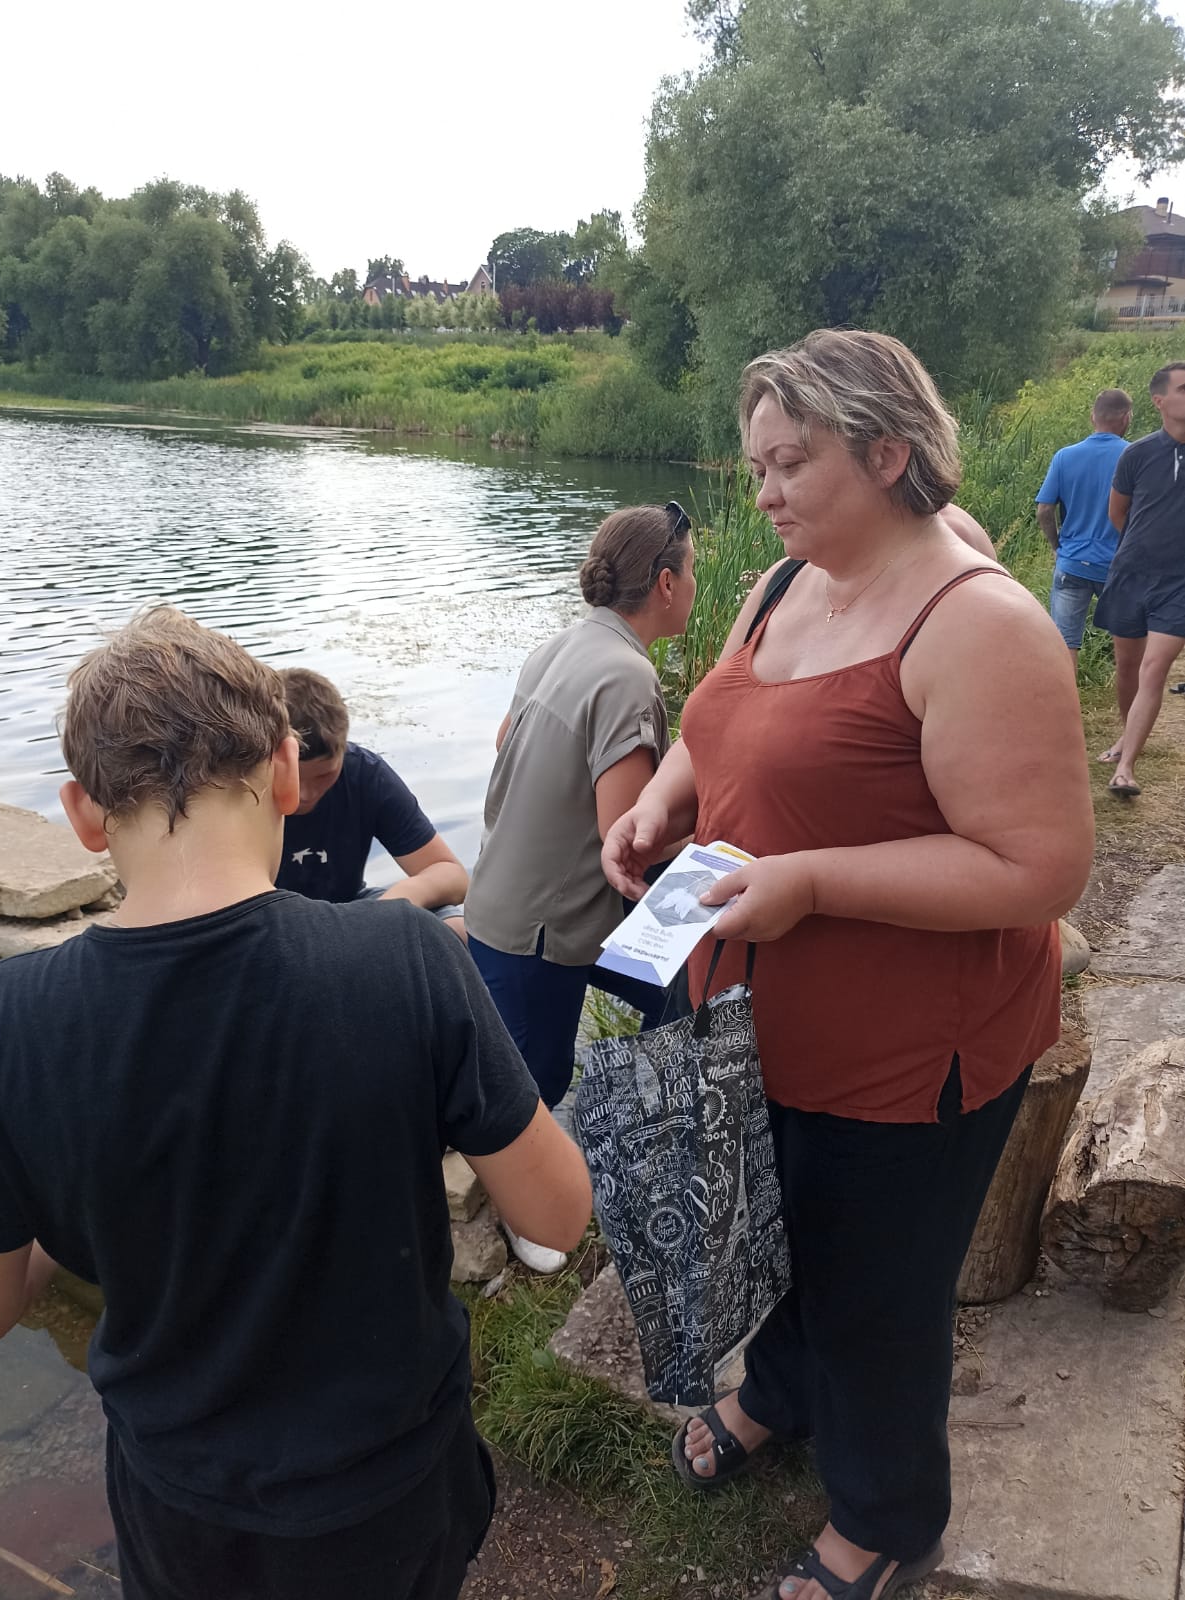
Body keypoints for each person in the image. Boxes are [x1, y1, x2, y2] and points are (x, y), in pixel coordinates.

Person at [602, 331, 1093, 1600]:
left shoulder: (975, 623)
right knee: (783, 1232)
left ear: (886, 454)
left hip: (908, 1045)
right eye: (756, 464)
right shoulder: (781, 583)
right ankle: (779, 1392)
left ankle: (886, 1515)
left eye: (790, 462)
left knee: (880, 1285)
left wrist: (812, 881)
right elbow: (721, 717)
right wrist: (661, 798)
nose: (759, 490)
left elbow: (1038, 869)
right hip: (764, 1011)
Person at [0, 608, 593, 1600]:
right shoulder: (407, 961)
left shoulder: (8, 1017)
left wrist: (64, 1208)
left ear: (82, 813)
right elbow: (556, 1211)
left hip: (181, 1502)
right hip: (390, 1488)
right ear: (280, 769)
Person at [465, 503, 697, 1273]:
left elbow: (505, 743)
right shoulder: (628, 675)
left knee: (675, 999)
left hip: (499, 893)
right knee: (534, 1082)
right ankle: (526, 1222)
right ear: (664, 583)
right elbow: (627, 839)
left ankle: (644, 1145)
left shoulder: (560, 646)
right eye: (691, 571)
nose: (693, 584)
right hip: (546, 925)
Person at [276, 667, 469, 940]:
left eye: (324, 775)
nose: (305, 794)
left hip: (350, 905)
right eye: (293, 776)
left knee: (458, 931)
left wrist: (394, 905)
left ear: (343, 749)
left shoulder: (366, 774)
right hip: (271, 922)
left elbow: (452, 875)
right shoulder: (242, 783)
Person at [1094, 362, 1185, 796]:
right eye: (1184, 389)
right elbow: (1118, 514)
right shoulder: (1137, 454)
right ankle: (1125, 737)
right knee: (1128, 668)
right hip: (1131, 573)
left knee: (1154, 668)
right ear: (1159, 401)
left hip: (1180, 583)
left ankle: (1126, 768)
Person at [1035, 389, 1132, 675]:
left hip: (1072, 563)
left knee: (1064, 644)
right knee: (1126, 640)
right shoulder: (1133, 456)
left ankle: (1066, 713)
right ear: (1126, 418)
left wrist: (1057, 546)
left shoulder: (1064, 457)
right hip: (1116, 565)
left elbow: (1043, 510)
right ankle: (1130, 706)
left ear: (1093, 417)